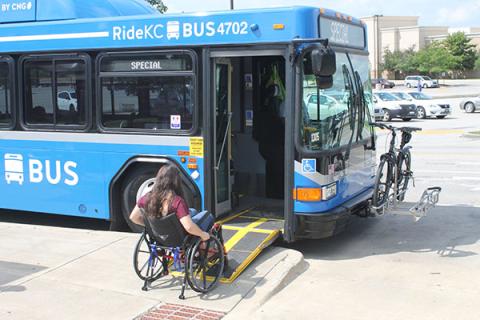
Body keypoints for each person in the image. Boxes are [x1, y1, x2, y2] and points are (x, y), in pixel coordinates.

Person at [129, 164, 214, 242]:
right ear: (176, 181)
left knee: (193, 211)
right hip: (178, 238)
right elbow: (189, 227)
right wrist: (203, 234)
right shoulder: (176, 202)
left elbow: (133, 217)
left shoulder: (146, 198)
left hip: (159, 236)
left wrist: (152, 227)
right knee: (208, 216)